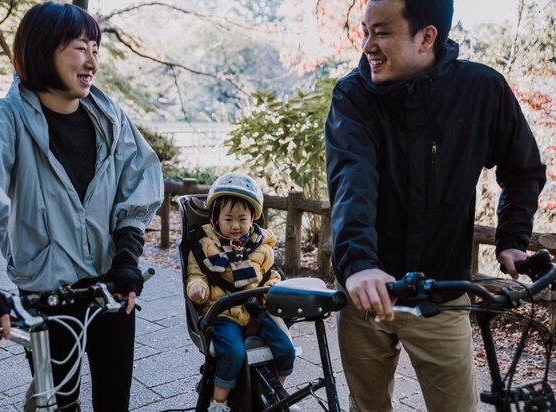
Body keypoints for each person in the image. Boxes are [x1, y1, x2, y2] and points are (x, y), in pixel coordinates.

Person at [0, 2, 163, 411]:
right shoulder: (5, 119)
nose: (92, 60)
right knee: (61, 405)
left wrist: (128, 258)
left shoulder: (110, 117)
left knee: (116, 403)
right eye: (80, 47)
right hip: (46, 296)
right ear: (43, 50)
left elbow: (139, 181)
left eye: (96, 48)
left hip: (111, 289)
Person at [324, 0, 546, 411]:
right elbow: (352, 181)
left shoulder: (482, 90)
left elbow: (523, 170)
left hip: (442, 293)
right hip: (366, 292)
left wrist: (512, 239)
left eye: (383, 32)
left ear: (427, 37)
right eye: (365, 30)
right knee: (367, 407)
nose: (367, 45)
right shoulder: (353, 96)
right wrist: (358, 264)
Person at [186, 173, 296, 412]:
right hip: (224, 313)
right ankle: (219, 402)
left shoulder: (262, 246)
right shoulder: (205, 246)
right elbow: (197, 274)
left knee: (286, 349)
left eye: (242, 219)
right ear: (215, 219)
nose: (235, 226)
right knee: (233, 353)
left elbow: (271, 274)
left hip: (257, 309)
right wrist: (198, 288)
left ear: (253, 218)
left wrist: (275, 289)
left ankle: (276, 395)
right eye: (228, 219)